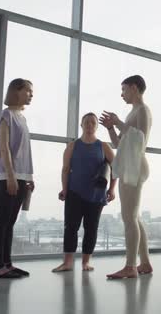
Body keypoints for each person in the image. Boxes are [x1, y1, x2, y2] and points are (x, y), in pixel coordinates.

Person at [100, 75, 153, 279]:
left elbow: (140, 140)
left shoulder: (143, 110)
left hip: (135, 167)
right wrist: (111, 127)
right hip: (130, 166)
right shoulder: (133, 112)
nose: (122, 94)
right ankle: (145, 263)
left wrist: (119, 122)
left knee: (128, 217)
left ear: (133, 87)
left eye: (124, 90)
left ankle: (131, 266)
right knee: (134, 217)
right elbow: (118, 144)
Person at [52, 113, 116, 273]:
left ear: (96, 126)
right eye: (86, 122)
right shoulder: (73, 146)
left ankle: (86, 262)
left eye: (92, 122)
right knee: (71, 227)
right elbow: (65, 169)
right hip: (74, 192)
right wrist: (64, 189)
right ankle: (67, 262)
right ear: (81, 125)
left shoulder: (103, 146)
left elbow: (116, 168)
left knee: (91, 228)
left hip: (96, 195)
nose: (89, 125)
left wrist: (112, 189)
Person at [0, 78, 35, 278]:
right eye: (28, 91)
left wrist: (29, 177)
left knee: (10, 222)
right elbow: (4, 147)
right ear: (16, 91)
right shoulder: (6, 115)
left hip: (21, 175)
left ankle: (7, 264)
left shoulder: (22, 118)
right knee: (2, 220)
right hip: (8, 175)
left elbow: (24, 150)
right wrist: (10, 176)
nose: (31, 94)